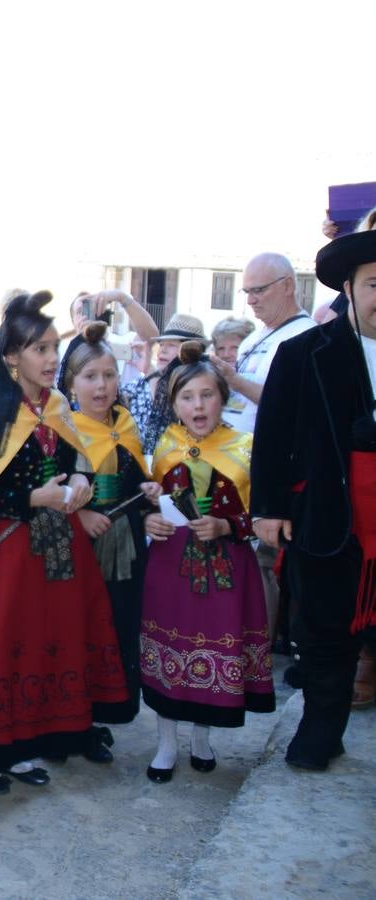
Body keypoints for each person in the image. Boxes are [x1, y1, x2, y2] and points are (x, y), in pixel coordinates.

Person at [0, 290, 126, 794]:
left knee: (39, 647)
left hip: (54, 550)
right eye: (39, 349)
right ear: (12, 357)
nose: (49, 358)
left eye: (51, 347)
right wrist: (34, 496)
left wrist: (80, 482)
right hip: (5, 555)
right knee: (0, 647)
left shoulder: (57, 407)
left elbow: (75, 463)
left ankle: (19, 747)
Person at [252, 228, 376, 770]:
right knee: (324, 631)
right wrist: (269, 508)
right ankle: (323, 727)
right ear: (349, 288)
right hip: (330, 517)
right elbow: (274, 435)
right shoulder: (305, 354)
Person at [140, 343, 275, 783]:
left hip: (225, 568)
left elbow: (257, 516)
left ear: (224, 397)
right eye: (187, 397)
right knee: (170, 647)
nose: (198, 405)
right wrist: (151, 519)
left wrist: (226, 526)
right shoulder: (165, 445)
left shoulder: (244, 448)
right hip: (170, 565)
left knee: (215, 642)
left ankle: (201, 737)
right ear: (175, 404)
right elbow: (155, 501)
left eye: (207, 395)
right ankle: (165, 743)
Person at [60, 322, 161, 760]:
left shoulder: (124, 423)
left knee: (117, 630)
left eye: (109, 375)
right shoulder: (64, 429)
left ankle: (99, 719)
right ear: (71, 382)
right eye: (90, 377)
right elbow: (51, 485)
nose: (102, 386)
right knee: (77, 631)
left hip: (126, 550)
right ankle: (69, 722)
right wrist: (80, 513)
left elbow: (134, 480)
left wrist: (149, 495)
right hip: (79, 553)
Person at [219, 253, 316, 434]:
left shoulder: (308, 335)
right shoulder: (252, 338)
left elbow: (293, 405)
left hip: (264, 454)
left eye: (259, 290)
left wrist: (234, 380)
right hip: (228, 452)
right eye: (247, 292)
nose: (250, 300)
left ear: (287, 286)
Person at [127, 313, 208, 451]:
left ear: (190, 351)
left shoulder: (202, 383)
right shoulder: (143, 382)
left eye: (171, 345)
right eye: (162, 344)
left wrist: (150, 373)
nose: (162, 350)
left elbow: (166, 413)